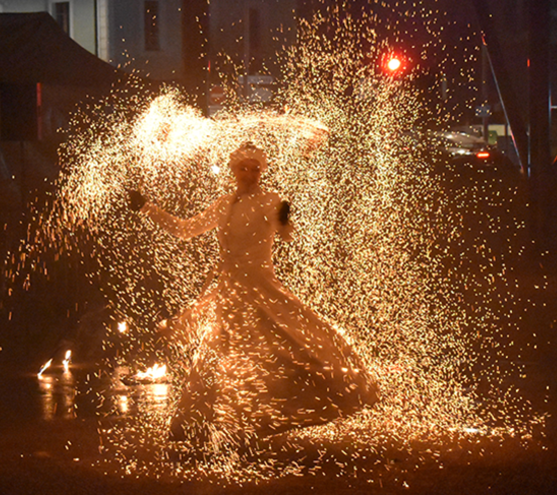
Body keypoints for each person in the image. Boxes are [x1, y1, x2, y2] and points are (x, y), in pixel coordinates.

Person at [129, 141, 378, 449]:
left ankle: (323, 396)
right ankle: (194, 426)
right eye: (243, 169)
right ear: (233, 171)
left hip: (260, 290)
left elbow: (286, 233)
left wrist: (285, 219)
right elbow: (185, 230)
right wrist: (147, 208)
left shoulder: (270, 201)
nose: (249, 174)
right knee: (215, 355)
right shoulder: (224, 204)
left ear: (263, 171)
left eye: (255, 169)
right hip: (229, 294)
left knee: (288, 346)